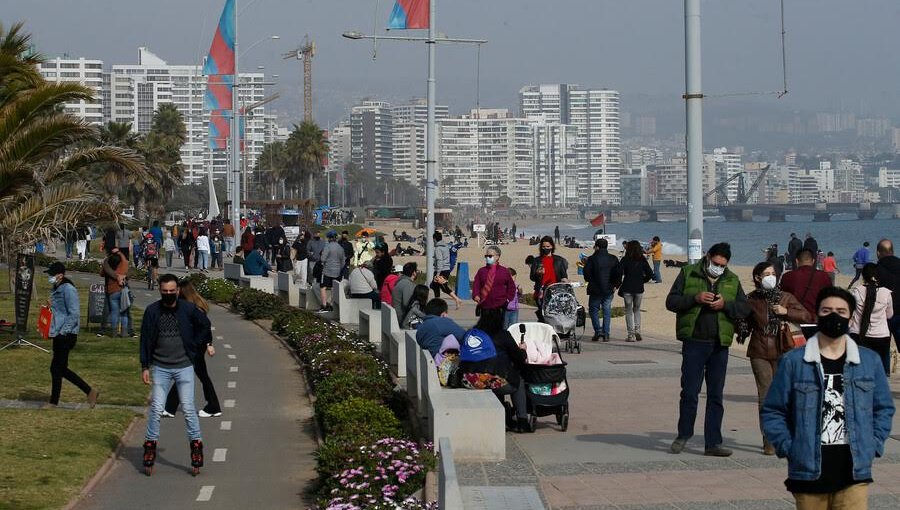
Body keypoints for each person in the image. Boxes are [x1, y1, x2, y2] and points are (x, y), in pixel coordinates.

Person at [761, 287, 894, 509]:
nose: (834, 316)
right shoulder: (794, 361)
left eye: (841, 311)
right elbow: (773, 410)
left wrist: (874, 444)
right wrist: (788, 447)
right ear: (817, 314)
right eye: (827, 310)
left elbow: (883, 408)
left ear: (851, 317)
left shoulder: (869, 361)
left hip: (854, 471)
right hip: (808, 471)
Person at [666, 242, 750, 457]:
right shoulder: (688, 273)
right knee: (690, 393)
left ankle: (713, 443)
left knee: (715, 395)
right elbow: (671, 302)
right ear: (708, 257)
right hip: (694, 341)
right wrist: (695, 299)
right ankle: (683, 435)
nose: (718, 268)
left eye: (722, 265)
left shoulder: (731, 279)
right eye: (715, 263)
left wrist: (726, 305)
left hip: (720, 344)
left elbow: (744, 308)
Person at [139, 274, 212, 475]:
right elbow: (145, 338)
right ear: (160, 291)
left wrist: (197, 345)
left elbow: (205, 325)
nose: (169, 295)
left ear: (178, 291)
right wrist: (145, 366)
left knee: (188, 409)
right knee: (156, 409)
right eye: (165, 292)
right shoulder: (152, 311)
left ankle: (196, 448)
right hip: (161, 367)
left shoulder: (188, 309)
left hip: (184, 365)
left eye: (172, 291)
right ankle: (150, 446)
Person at [737, 262, 812, 455]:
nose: (771, 277)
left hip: (783, 349)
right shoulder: (750, 299)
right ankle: (769, 441)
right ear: (757, 278)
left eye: (773, 273)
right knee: (765, 397)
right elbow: (741, 320)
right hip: (759, 350)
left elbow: (807, 315)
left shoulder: (786, 297)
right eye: (766, 274)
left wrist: (786, 312)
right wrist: (741, 326)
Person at [456, 307, 531, 433]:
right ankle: (522, 421)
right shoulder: (503, 335)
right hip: (492, 381)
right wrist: (523, 349)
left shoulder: (470, 333)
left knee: (495, 376)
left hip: (468, 380)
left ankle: (502, 414)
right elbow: (519, 358)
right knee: (518, 382)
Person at [163, 280, 221, 418]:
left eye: (176, 290)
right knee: (196, 375)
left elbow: (205, 325)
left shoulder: (193, 308)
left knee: (184, 375)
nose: (174, 293)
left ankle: (170, 408)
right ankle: (212, 406)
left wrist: (202, 343)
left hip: (194, 348)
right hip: (195, 347)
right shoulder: (190, 306)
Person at [45, 262, 98, 408]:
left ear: (60, 275)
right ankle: (89, 391)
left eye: (51, 274)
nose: (49, 277)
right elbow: (59, 311)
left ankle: (54, 402)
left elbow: (74, 313)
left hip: (66, 334)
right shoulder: (57, 287)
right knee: (59, 368)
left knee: (57, 368)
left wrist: (63, 331)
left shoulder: (68, 289)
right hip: (58, 332)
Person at [849, 263, 894, 375]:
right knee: (880, 371)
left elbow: (851, 313)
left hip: (859, 334)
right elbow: (889, 315)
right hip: (881, 336)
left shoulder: (856, 292)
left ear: (863, 276)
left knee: (859, 369)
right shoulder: (886, 293)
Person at [583, 238, 621, 342]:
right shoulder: (613, 258)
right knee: (606, 310)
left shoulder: (591, 259)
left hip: (595, 289)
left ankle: (598, 331)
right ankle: (606, 333)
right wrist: (616, 284)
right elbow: (618, 273)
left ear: (597, 247)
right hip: (609, 288)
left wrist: (591, 281)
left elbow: (586, 274)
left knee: (594, 309)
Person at [617, 240, 654, 342]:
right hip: (639, 288)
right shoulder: (642, 259)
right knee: (637, 310)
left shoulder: (625, 259)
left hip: (628, 287)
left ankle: (631, 335)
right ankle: (638, 330)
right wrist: (643, 280)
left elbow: (618, 271)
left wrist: (617, 282)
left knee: (628, 311)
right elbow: (650, 273)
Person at [780, 249, 833, 317]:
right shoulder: (824, 276)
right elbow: (830, 297)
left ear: (796, 261)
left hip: (796, 318)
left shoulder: (788, 276)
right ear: (813, 261)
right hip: (818, 318)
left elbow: (784, 297)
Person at [529, 236, 568, 322]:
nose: (545, 248)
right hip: (541, 291)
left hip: (556, 291)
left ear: (552, 246)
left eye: (548, 246)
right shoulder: (537, 260)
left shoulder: (559, 260)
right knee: (544, 314)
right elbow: (532, 277)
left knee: (555, 314)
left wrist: (565, 282)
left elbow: (564, 276)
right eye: (543, 247)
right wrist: (538, 273)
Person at [472, 245, 516, 316]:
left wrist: (507, 300)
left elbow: (511, 287)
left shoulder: (504, 271)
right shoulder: (481, 271)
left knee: (498, 326)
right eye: (486, 256)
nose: (487, 258)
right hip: (485, 305)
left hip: (500, 306)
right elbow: (476, 285)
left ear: (497, 257)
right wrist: (476, 295)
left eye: (490, 256)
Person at [875, 239, 900, 354]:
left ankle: (885, 372)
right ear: (893, 251)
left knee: (883, 350)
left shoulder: (876, 270)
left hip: (883, 314)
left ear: (878, 253)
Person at [101, 249, 130, 338]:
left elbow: (102, 272)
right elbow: (125, 260)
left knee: (114, 312)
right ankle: (124, 332)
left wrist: (109, 256)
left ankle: (114, 333)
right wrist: (119, 253)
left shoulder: (108, 267)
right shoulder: (123, 265)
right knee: (124, 313)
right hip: (123, 291)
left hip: (112, 291)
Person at [431, 232, 463, 309]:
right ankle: (437, 303)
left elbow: (439, 260)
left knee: (443, 287)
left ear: (434, 239)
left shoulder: (438, 249)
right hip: (446, 269)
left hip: (441, 270)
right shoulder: (446, 246)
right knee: (436, 286)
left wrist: (438, 273)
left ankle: (457, 299)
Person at [318, 230, 345, 313]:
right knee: (334, 288)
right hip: (337, 271)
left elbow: (323, 259)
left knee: (323, 287)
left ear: (329, 238)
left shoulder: (327, 247)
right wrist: (339, 268)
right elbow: (343, 261)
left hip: (327, 270)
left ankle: (324, 305)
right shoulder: (340, 248)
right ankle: (332, 304)